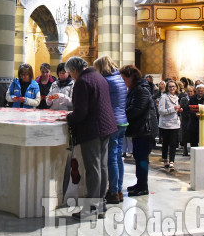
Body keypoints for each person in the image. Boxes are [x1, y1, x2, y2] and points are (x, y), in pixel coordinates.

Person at [64, 56, 116, 220]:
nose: (71, 77)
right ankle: (100, 205)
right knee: (102, 166)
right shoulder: (99, 77)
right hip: (106, 127)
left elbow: (80, 112)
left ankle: (91, 207)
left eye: (70, 73)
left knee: (93, 169)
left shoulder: (82, 81)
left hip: (92, 129)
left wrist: (68, 117)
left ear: (74, 70)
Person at [93, 55, 127, 204]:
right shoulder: (119, 78)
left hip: (112, 122)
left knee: (111, 157)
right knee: (118, 156)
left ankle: (113, 192)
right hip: (123, 122)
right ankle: (119, 190)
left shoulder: (106, 81)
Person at [120, 65, 157, 197]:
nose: (123, 82)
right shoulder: (135, 89)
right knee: (138, 156)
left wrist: (121, 114)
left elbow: (136, 110)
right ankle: (140, 183)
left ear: (131, 77)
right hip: (140, 129)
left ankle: (143, 186)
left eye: (124, 79)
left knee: (142, 159)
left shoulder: (141, 90)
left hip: (145, 130)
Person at [158, 80, 181, 171]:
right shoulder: (164, 97)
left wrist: (179, 110)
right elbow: (161, 111)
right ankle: (165, 159)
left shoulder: (176, 97)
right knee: (165, 142)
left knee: (173, 143)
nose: (172, 88)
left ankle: (172, 161)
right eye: (170, 86)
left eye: (174, 86)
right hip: (165, 124)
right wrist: (173, 108)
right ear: (167, 88)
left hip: (175, 123)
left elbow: (176, 110)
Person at [180, 85, 195, 156]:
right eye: (188, 91)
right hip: (185, 119)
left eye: (191, 91)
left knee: (192, 136)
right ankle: (185, 149)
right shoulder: (183, 99)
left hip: (192, 119)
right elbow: (182, 108)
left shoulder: (194, 99)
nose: (190, 93)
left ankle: (192, 150)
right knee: (185, 135)